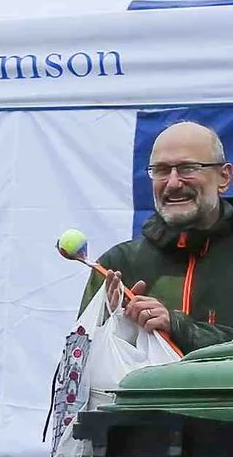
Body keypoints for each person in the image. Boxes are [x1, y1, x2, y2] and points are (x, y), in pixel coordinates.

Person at [99, 120, 233, 352]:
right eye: (161, 170)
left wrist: (179, 328)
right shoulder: (119, 265)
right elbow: (73, 373)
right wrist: (107, 325)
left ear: (224, 177)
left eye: (188, 168)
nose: (172, 183)